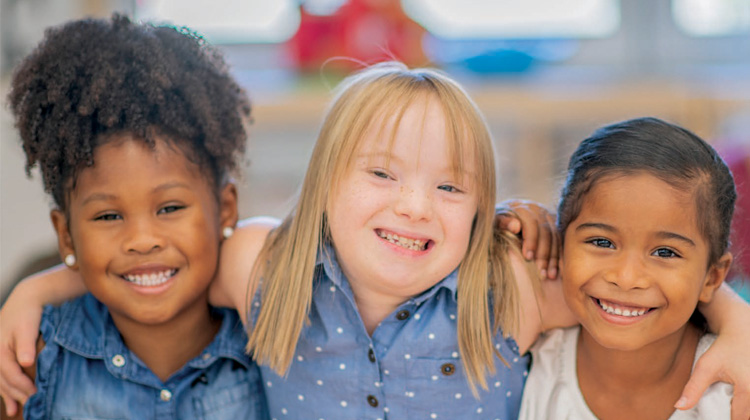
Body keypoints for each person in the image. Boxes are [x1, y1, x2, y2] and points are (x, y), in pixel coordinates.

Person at [3, 64, 750, 419]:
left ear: (481, 208)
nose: (416, 207)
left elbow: (634, 287)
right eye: (384, 174)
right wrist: (40, 286)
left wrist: (738, 320)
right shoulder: (260, 266)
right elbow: (162, 258)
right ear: (326, 181)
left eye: (450, 188)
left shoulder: (511, 288)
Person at [0, 15, 267, 419]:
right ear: (66, 236)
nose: (142, 239)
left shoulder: (272, 349)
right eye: (108, 216)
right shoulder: (31, 359)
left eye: (170, 208)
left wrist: (36, 288)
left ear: (226, 209)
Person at [519, 117, 737, 419]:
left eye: (665, 252)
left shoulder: (734, 391)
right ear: (559, 244)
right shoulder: (525, 364)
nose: (626, 278)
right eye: (602, 242)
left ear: (712, 278)